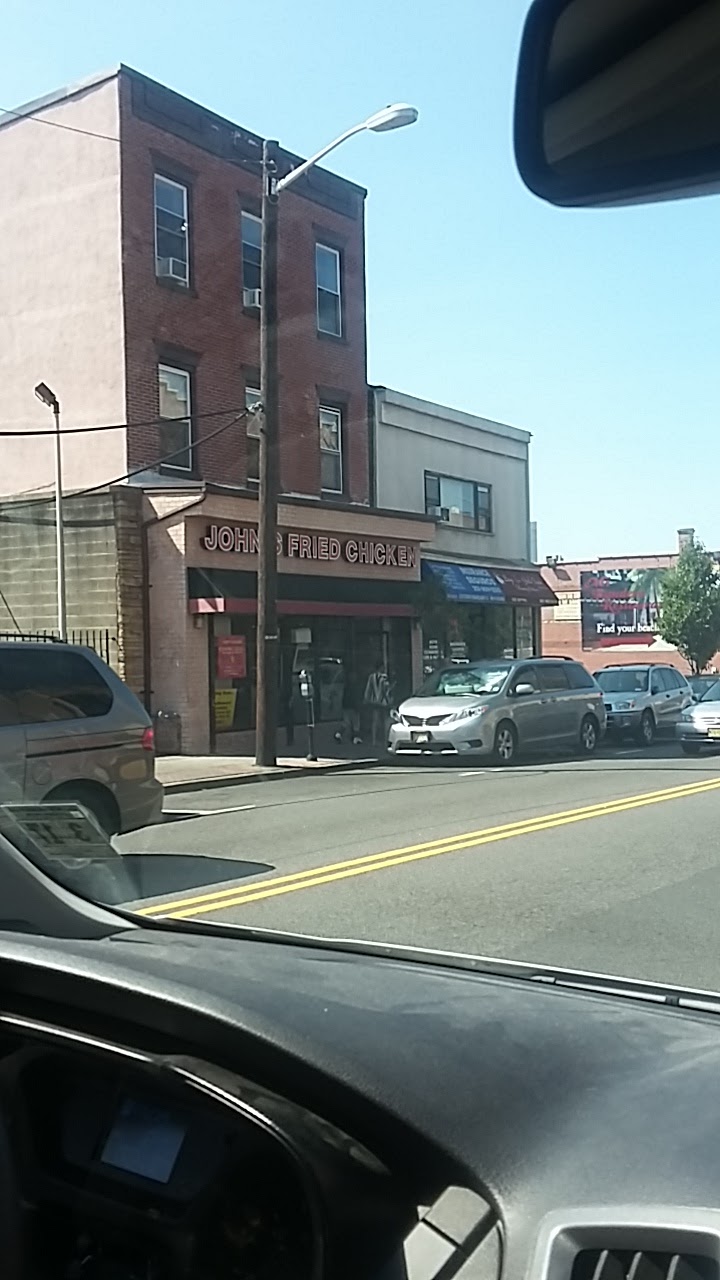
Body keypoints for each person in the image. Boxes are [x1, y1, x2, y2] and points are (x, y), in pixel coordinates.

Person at [363, 661, 393, 747]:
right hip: (383, 702)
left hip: (374, 702)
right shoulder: (384, 677)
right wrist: (389, 701)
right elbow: (385, 691)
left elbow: (368, 689)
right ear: (381, 667)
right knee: (384, 721)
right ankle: (384, 740)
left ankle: (374, 740)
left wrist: (366, 699)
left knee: (375, 721)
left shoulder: (371, 677)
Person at [335, 667, 363, 745]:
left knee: (346, 723)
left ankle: (339, 734)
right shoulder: (355, 687)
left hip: (346, 707)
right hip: (353, 707)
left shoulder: (346, 687)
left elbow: (344, 698)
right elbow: (355, 698)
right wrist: (357, 707)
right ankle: (355, 738)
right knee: (356, 724)